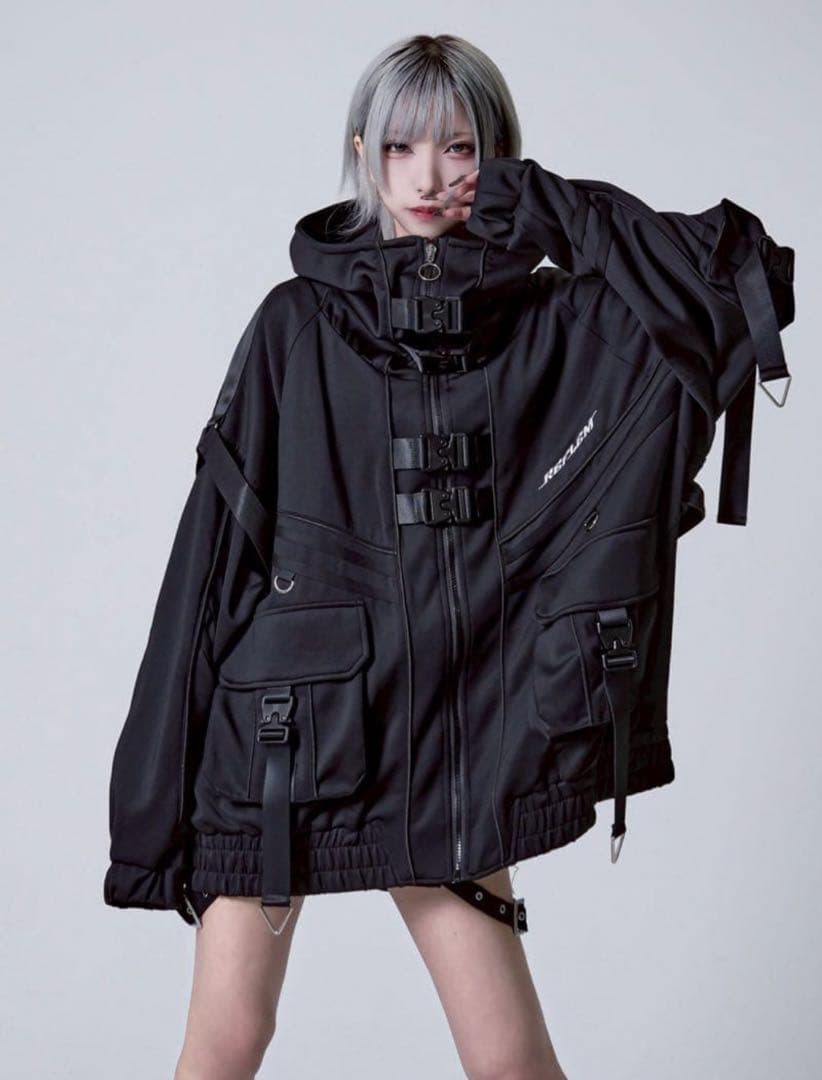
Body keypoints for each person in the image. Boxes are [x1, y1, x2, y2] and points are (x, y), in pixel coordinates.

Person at [172, 34, 569, 1080]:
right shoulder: (295, 322)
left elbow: (706, 297)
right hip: (284, 740)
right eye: (401, 146)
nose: (430, 176)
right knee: (227, 1040)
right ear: (363, 154)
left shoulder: (538, 325)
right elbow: (213, 556)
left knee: (509, 1059)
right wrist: (156, 784)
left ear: (502, 156)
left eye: (460, 147)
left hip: (442, 739)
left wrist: (550, 210)